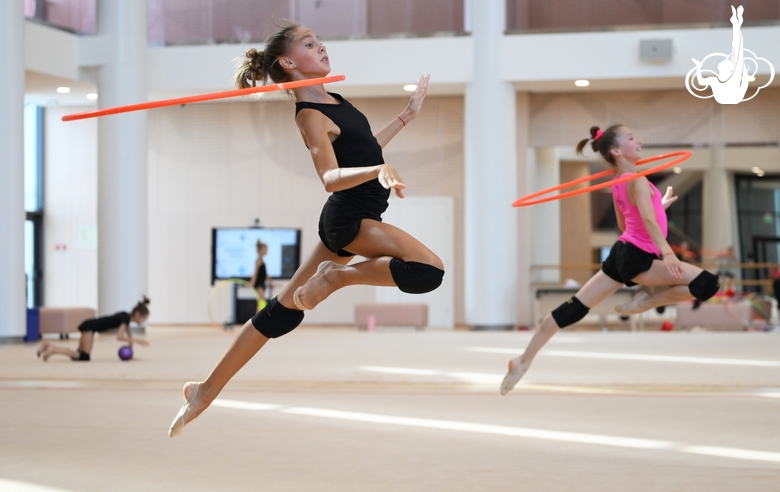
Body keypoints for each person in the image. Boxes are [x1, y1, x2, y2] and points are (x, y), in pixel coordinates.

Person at [169, 22, 444, 437]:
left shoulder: (334, 99)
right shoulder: (310, 115)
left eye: (319, 41)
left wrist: (405, 117)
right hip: (351, 219)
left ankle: (204, 391)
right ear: (288, 62)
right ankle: (337, 278)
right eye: (310, 44)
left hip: (355, 212)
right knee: (429, 270)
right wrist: (377, 169)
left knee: (282, 312)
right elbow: (331, 177)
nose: (322, 47)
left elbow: (366, 148)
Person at [500, 125, 720, 395]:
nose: (638, 140)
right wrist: (668, 252)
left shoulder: (619, 181)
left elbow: (626, 221)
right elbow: (647, 221)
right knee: (707, 284)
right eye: (630, 138)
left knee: (575, 306)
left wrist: (657, 206)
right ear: (616, 150)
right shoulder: (637, 180)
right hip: (639, 258)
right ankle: (648, 301)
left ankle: (522, 362)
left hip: (623, 252)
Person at [36, 297, 151, 361]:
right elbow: (119, 337)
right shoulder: (125, 319)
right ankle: (52, 350)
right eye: (143, 318)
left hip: (90, 325)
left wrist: (131, 355)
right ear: (137, 314)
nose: (143, 321)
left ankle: (47, 346)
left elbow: (129, 337)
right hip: (90, 327)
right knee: (84, 356)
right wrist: (138, 340)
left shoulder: (125, 317)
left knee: (78, 355)